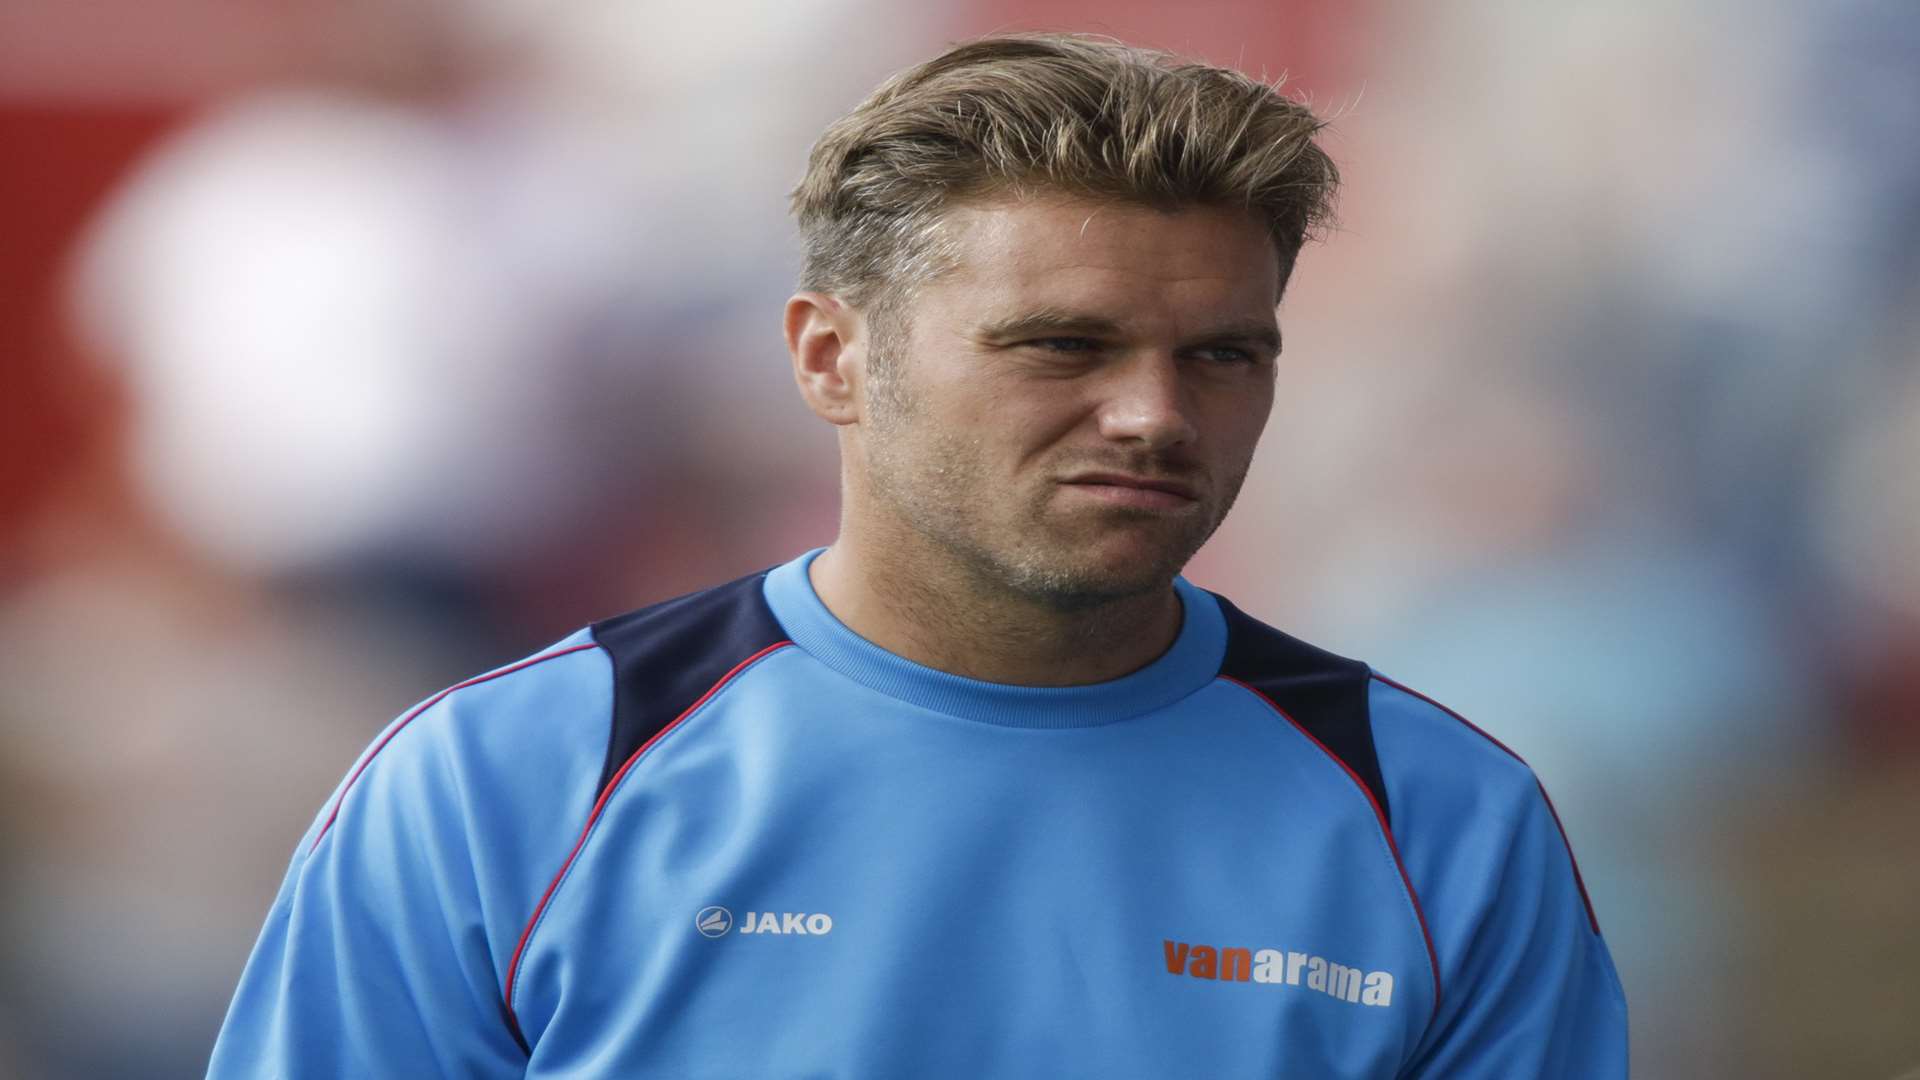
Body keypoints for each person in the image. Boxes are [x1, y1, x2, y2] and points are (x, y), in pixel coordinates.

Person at [207, 33, 1627, 1078]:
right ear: (834, 359)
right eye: (1061, 345)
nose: (1154, 414)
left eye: (1221, 356)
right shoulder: (503, 785)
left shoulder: (1444, 821)